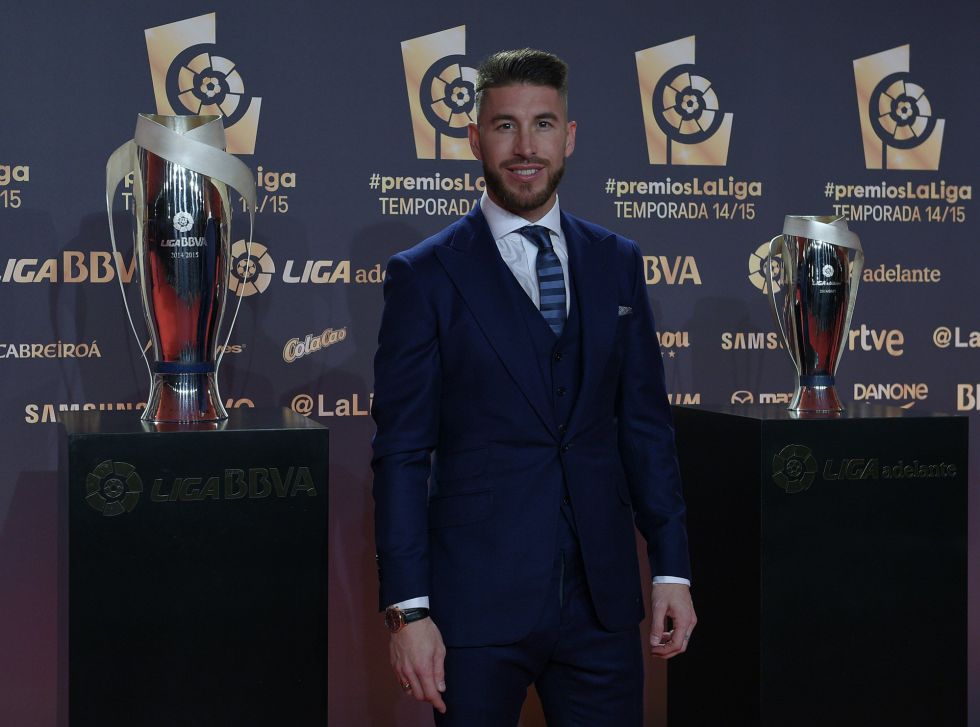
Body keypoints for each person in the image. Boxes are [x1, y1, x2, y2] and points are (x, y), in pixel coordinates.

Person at [372, 48, 696, 726]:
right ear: (474, 139)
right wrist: (409, 609)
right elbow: (401, 453)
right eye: (505, 126)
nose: (525, 147)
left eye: (543, 124)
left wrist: (671, 569)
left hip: (602, 605)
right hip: (473, 607)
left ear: (568, 136)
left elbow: (646, 428)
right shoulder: (425, 274)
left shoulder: (618, 261)